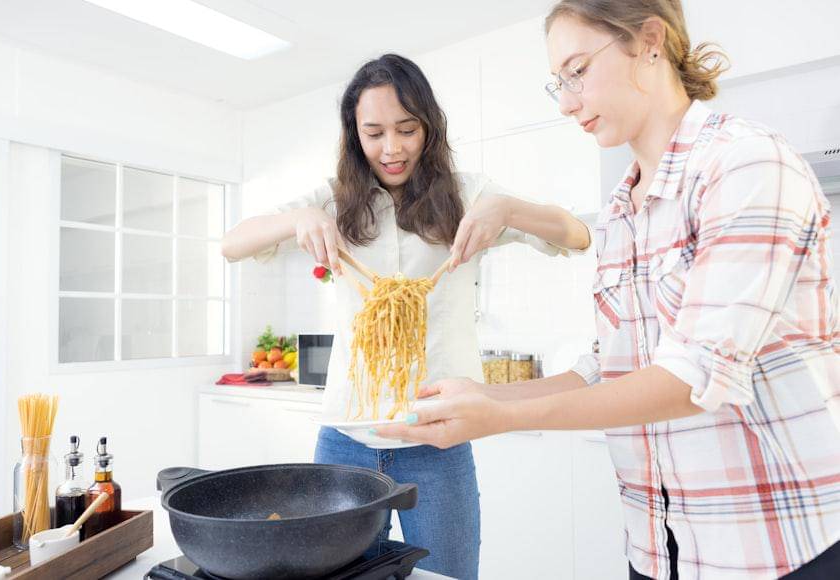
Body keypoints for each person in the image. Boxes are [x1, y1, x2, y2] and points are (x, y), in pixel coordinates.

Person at [376, 2, 840, 578]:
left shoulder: (744, 165)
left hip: (772, 543)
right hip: (657, 543)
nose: (568, 101)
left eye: (578, 71)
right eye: (558, 83)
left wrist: (502, 418)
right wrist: (483, 395)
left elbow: (694, 377)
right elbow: (606, 367)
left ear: (649, 41)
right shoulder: (621, 210)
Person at [222, 53, 590, 579]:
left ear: (429, 128)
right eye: (373, 133)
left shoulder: (470, 196)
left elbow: (575, 235)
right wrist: (297, 218)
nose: (391, 149)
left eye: (406, 129)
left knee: (450, 575)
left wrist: (508, 210)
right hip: (346, 435)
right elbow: (232, 245)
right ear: (354, 136)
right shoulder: (333, 199)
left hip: (438, 437)